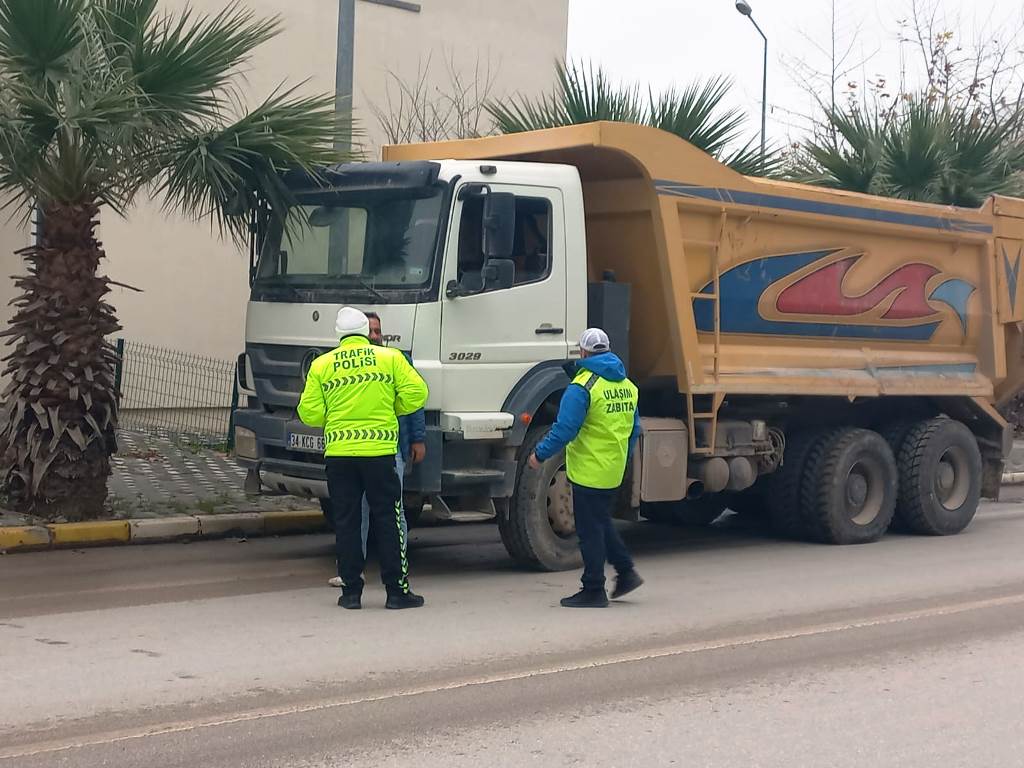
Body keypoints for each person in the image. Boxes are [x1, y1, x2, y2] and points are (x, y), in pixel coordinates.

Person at [299, 307, 429, 610]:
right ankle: (397, 592)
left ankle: (350, 593)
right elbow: (417, 393)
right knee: (389, 519)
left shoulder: (322, 365)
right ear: (364, 332)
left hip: (340, 456)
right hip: (380, 454)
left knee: (347, 521)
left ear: (339, 335)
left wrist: (335, 416)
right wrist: (391, 407)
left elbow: (308, 413)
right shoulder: (390, 359)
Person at [529, 328, 644, 608]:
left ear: (582, 352)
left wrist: (540, 454)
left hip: (590, 469)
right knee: (601, 522)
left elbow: (565, 429)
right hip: (613, 468)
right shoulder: (627, 385)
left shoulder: (583, 386)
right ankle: (626, 572)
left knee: (589, 530)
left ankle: (593, 588)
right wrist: (622, 458)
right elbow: (635, 429)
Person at [328, 312, 426, 587]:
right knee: (361, 514)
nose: (374, 335)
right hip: (367, 450)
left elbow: (416, 402)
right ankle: (359, 575)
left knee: (393, 515)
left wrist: (417, 438)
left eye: (377, 331)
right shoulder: (365, 364)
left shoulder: (394, 360)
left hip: (390, 449)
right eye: (370, 330)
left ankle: (392, 572)